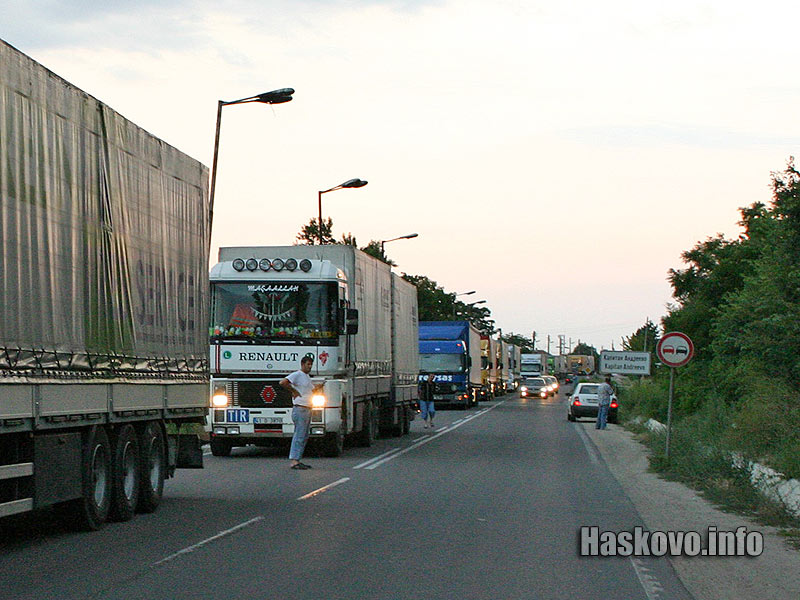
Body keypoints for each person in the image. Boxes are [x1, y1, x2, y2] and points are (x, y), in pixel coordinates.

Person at [280, 355, 315, 469]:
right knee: (299, 435)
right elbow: (283, 382)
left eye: (311, 364)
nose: (309, 366)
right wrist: (293, 391)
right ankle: (294, 460)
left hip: (306, 408)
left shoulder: (306, 377)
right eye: (308, 364)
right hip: (300, 408)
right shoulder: (298, 374)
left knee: (304, 435)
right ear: (302, 364)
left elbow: (308, 390)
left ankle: (298, 459)